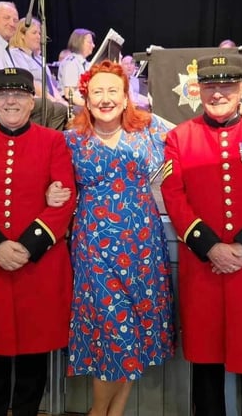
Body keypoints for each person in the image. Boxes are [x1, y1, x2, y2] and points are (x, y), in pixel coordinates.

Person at [160, 54, 242, 416]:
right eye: (210, 86)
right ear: (199, 89)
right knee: (205, 366)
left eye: (227, 86)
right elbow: (174, 195)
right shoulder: (178, 137)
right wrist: (211, 247)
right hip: (203, 267)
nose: (218, 93)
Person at [49, 59, 174, 416]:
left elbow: (188, 146)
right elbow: (49, 181)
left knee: (131, 330)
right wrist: (50, 194)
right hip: (94, 248)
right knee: (115, 331)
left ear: (126, 98)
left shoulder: (149, 131)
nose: (105, 99)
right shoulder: (70, 140)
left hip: (143, 246)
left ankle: (113, 413)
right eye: (97, 92)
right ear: (85, 100)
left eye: (112, 92)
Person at [0, 67, 76, 416]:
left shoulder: (54, 141)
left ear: (31, 100)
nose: (11, 100)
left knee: (33, 362)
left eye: (19, 94)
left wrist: (27, 247)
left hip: (37, 267)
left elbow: (65, 198)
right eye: (3, 95)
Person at [0, 1, 67, 129]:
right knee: (41, 105)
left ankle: (47, 146)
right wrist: (26, 97)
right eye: (6, 18)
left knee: (58, 109)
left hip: (3, 100)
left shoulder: (2, 46)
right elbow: (0, 80)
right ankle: (29, 146)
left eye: (15, 20)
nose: (12, 23)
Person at [9, 18, 69, 114]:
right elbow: (30, 82)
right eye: (34, 33)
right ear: (22, 35)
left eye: (40, 33)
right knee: (59, 110)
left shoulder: (39, 58)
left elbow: (50, 85)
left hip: (49, 100)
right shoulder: (16, 54)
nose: (39, 37)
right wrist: (52, 101)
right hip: (34, 101)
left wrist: (61, 101)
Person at [58, 28, 95, 108]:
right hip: (73, 105)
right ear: (79, 43)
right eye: (90, 42)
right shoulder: (71, 63)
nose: (93, 45)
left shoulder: (86, 64)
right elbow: (69, 94)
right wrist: (89, 107)